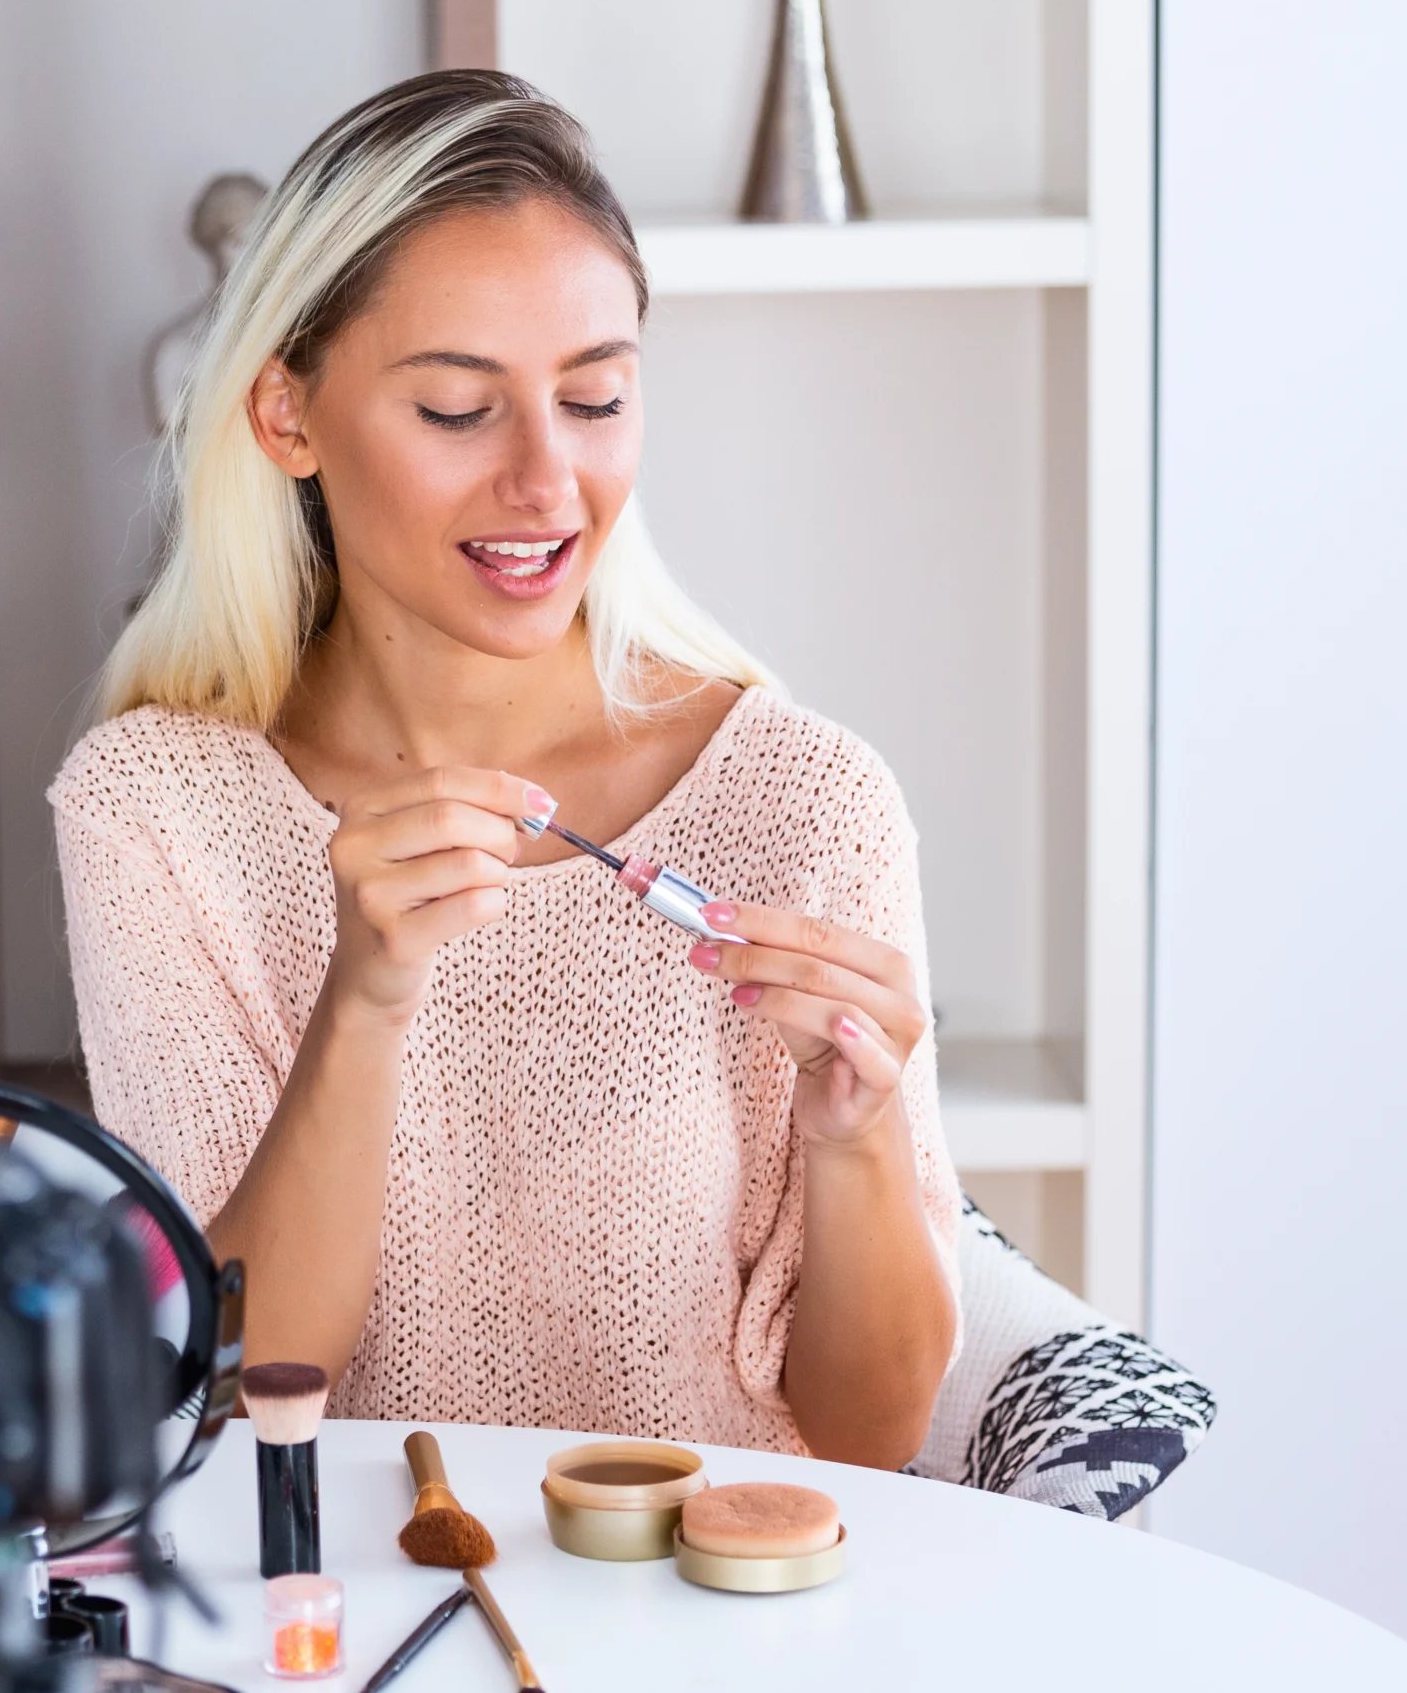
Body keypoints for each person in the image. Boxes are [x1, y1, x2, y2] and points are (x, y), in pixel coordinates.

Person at [49, 71, 961, 1468]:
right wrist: (363, 999)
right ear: (287, 415)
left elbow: (872, 1437)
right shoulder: (156, 813)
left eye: (594, 398)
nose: (548, 482)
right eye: (458, 411)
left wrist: (857, 1141)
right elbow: (229, 1400)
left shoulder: (804, 802)